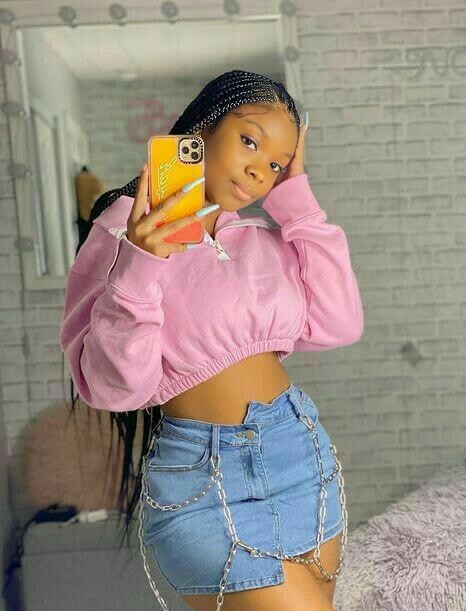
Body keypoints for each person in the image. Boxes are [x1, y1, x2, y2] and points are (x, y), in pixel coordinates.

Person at [59, 69, 364, 611]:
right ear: (203, 128)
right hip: (204, 482)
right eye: (249, 141)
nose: (260, 170)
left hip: (300, 459)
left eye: (277, 164)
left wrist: (297, 203)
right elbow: (114, 389)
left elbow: (338, 323)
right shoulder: (121, 230)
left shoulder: (257, 236)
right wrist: (141, 263)